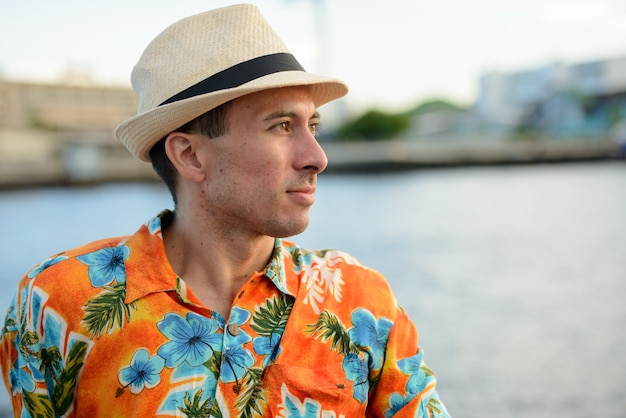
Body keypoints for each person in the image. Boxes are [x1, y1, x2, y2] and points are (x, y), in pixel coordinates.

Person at [0, 4, 450, 417]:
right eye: (281, 126)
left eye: (312, 125)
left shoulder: (362, 301)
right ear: (190, 156)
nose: (317, 156)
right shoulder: (58, 301)